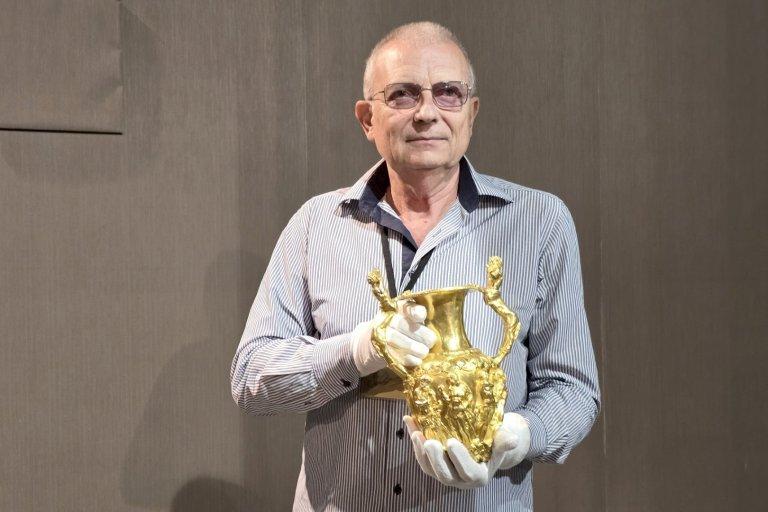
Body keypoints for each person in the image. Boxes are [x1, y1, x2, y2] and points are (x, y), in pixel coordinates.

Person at [231, 21, 600, 511]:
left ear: (471, 113)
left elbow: (573, 389)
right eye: (402, 94)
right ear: (367, 118)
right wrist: (355, 352)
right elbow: (251, 379)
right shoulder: (315, 225)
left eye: (448, 93)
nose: (427, 113)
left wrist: (521, 434)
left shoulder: (541, 222)